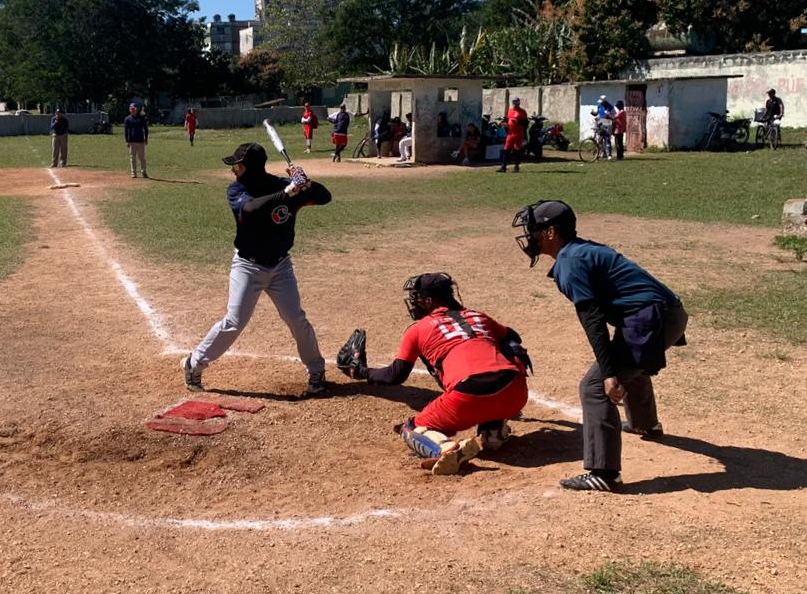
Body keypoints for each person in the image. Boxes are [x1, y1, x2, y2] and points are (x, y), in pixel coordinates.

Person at [511, 200, 689, 492]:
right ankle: (646, 424)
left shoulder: (570, 262)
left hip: (652, 319)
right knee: (631, 362)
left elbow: (592, 321)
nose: (530, 236)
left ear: (552, 232)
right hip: (664, 314)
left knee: (595, 386)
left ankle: (604, 472)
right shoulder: (578, 251)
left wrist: (608, 374)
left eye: (534, 230)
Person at [341, 273, 531, 475]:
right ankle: (492, 432)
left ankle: (445, 448)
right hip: (515, 393)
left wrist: (360, 372)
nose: (414, 303)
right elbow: (513, 337)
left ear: (428, 300)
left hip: (467, 399)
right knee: (491, 377)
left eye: (417, 298)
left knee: (411, 429)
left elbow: (395, 375)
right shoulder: (478, 316)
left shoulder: (418, 329)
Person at [182, 143, 332, 397]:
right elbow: (251, 210)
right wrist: (289, 192)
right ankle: (194, 364)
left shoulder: (283, 186)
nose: (233, 171)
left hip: (281, 266)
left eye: (236, 166)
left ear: (249, 168)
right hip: (248, 266)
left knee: (296, 319)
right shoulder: (238, 190)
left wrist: (307, 183)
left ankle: (316, 370)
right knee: (234, 322)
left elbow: (324, 197)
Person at [497, 98, 527, 173]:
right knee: (506, 149)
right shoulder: (510, 110)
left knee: (517, 150)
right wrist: (502, 123)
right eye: (514, 103)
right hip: (510, 134)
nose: (515, 104)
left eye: (516, 103)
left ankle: (516, 167)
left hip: (518, 134)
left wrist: (518, 122)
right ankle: (503, 167)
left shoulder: (522, 112)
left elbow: (525, 123)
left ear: (519, 103)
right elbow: (508, 120)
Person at [124, 103, 149, 179]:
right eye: (131, 109)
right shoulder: (127, 119)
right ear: (129, 110)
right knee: (132, 158)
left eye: (134, 109)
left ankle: (144, 172)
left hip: (141, 141)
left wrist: (146, 139)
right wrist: (127, 141)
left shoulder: (141, 118)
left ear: (136, 109)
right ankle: (133, 173)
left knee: (142, 158)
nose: (133, 110)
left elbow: (145, 129)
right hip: (132, 141)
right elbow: (126, 131)